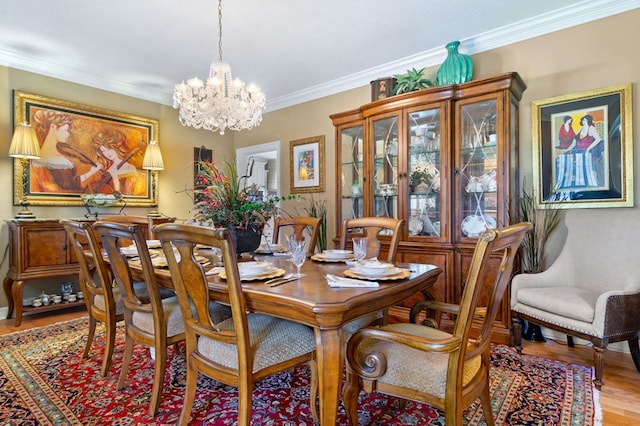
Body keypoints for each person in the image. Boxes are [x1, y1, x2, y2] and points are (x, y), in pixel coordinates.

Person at [30, 110, 78, 192]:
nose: (68, 134)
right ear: (53, 127)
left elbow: (73, 184)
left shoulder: (62, 155)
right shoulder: (41, 160)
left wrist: (93, 172)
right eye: (65, 130)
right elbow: (50, 190)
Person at [554, 114, 603, 191]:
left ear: (587, 120)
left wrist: (588, 149)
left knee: (580, 165)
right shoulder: (581, 129)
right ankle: (565, 184)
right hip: (576, 151)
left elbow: (598, 139)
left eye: (584, 120)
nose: (583, 121)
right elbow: (574, 143)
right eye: (583, 120)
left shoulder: (591, 128)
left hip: (585, 153)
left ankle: (580, 185)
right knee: (560, 160)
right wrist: (566, 151)